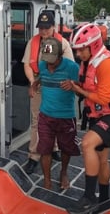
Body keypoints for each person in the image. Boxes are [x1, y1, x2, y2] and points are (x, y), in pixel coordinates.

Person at [65, 23, 110, 213]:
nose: (78, 55)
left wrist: (77, 89)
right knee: (102, 159)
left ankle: (89, 197)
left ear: (92, 45)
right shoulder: (91, 61)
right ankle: (104, 199)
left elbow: (103, 98)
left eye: (80, 51)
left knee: (87, 144)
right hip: (100, 114)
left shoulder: (106, 64)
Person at [22, 11, 75, 174]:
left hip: (56, 89)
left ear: (53, 27)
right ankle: (34, 156)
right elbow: (27, 64)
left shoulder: (63, 44)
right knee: (37, 121)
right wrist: (32, 82)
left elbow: (70, 68)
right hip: (38, 85)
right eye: (41, 27)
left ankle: (55, 148)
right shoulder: (33, 42)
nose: (44, 31)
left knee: (56, 120)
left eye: (47, 27)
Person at [30, 37, 80, 190]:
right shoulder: (42, 65)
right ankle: (47, 181)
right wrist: (34, 84)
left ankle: (63, 173)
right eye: (47, 61)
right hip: (45, 116)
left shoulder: (72, 67)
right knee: (45, 148)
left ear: (61, 56)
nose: (49, 65)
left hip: (66, 117)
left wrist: (73, 86)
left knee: (66, 148)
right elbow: (40, 77)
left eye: (53, 61)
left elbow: (84, 88)